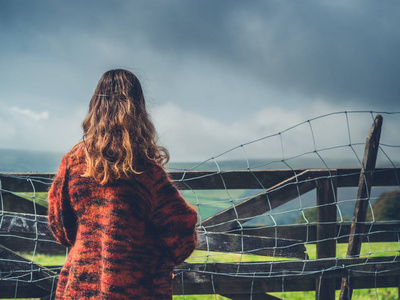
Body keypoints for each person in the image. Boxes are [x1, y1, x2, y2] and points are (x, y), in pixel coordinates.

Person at [48, 69, 198, 299]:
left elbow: (60, 228)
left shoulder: (72, 163)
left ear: (96, 106)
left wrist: (91, 241)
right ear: (138, 110)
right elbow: (182, 238)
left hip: (80, 288)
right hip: (136, 291)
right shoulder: (147, 174)